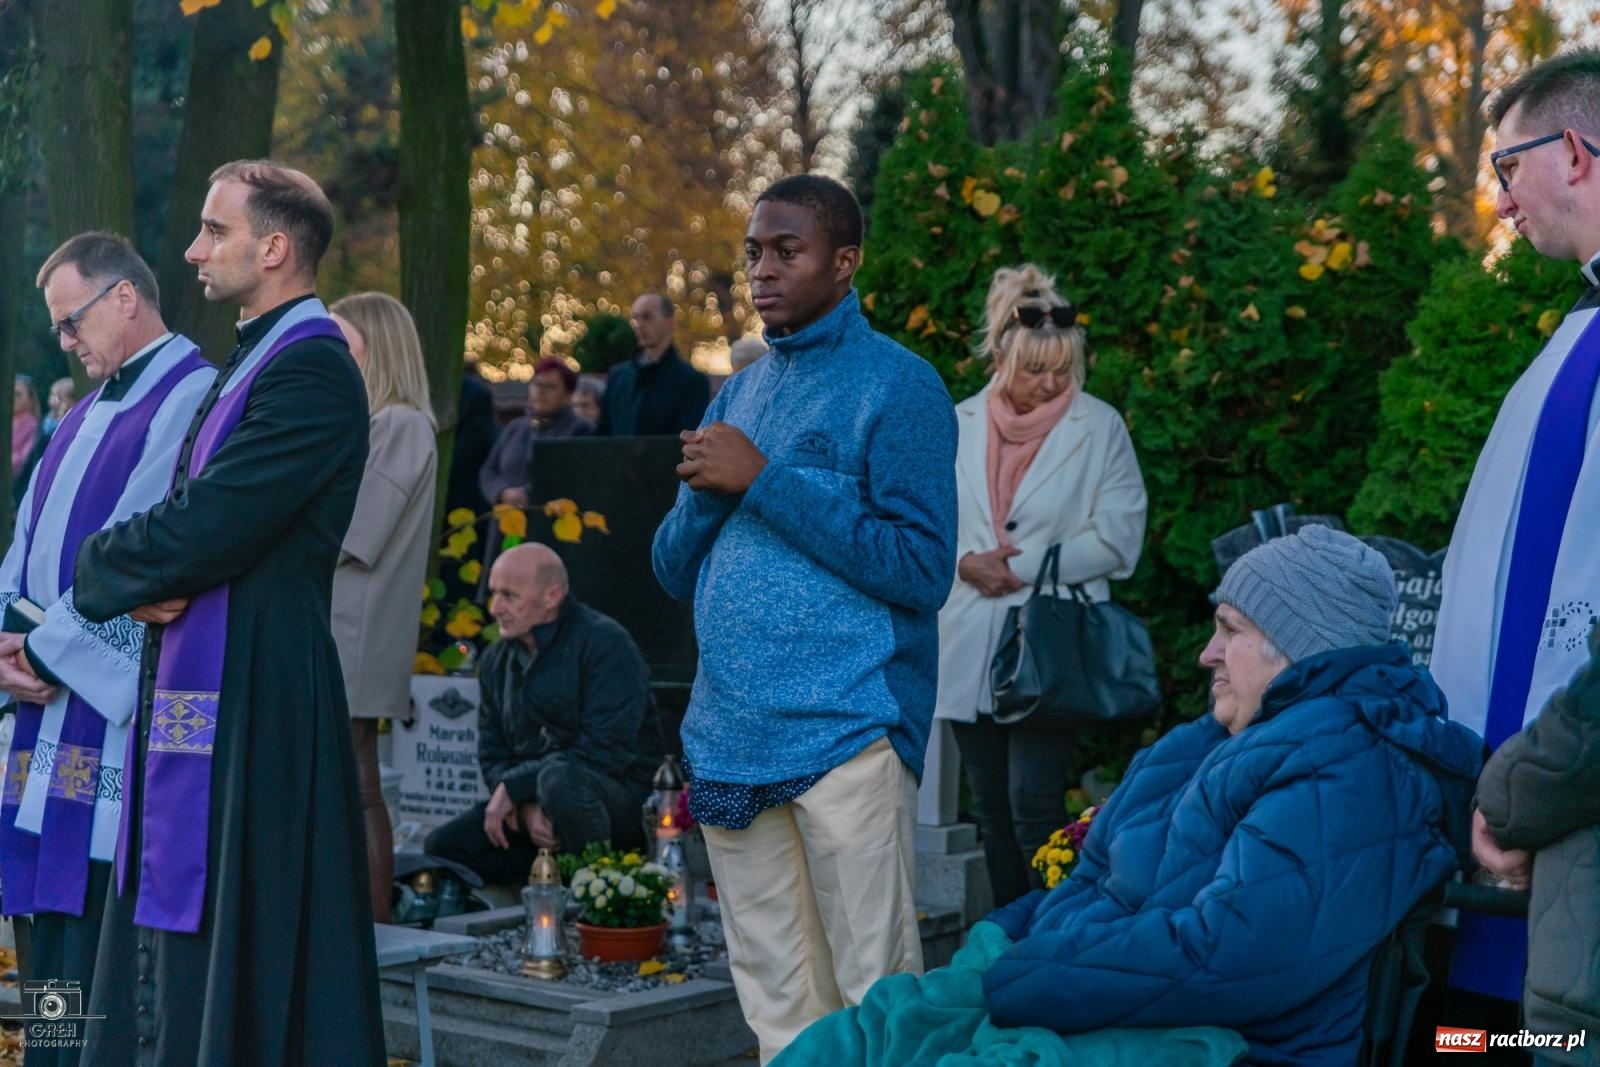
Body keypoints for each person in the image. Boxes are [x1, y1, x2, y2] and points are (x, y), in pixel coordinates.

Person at [779, 526, 1483, 1067]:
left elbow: (1233, 954)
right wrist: (1004, 941)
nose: (1207, 652)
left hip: (1217, 1037)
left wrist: (1029, 974)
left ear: (1298, 647)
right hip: (1103, 989)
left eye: (1230, 630)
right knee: (852, 1039)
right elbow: (1096, 872)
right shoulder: (1218, 735)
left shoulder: (1353, 763)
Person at [70, 160, 384, 1066]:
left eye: (215, 231)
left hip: (261, 686)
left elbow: (212, 522)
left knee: (250, 931)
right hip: (214, 671)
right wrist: (141, 568)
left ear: (275, 247)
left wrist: (102, 566)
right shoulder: (257, 356)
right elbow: (193, 525)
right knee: (187, 930)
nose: (193, 248)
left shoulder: (313, 366)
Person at [652, 174, 958, 1062]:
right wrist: (711, 497)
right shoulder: (735, 395)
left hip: (850, 732)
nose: (763, 270)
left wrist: (764, 481)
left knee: (877, 996)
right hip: (733, 732)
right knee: (777, 1001)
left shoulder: (899, 387)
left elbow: (921, 568)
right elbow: (671, 568)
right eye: (754, 251)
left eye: (789, 250)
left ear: (845, 262)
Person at [0, 233, 215, 1067]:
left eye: (71, 321)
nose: (64, 341)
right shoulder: (80, 412)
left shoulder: (190, 397)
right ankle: (52, 1058)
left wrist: (43, 656)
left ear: (125, 296)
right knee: (46, 932)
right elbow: (22, 545)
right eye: (56, 329)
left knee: (97, 935)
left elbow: (143, 552)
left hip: (106, 723)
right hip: (37, 720)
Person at [1428, 48, 1600, 1017]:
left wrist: (1529, 790)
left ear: (1573, 151)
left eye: (1505, 167)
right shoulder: (1576, 330)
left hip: (1558, 817)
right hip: (1521, 814)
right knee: (1474, 1043)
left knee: (1518, 1045)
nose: (1498, 201)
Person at [934, 264, 1147, 908]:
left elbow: (1120, 538)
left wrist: (1016, 567)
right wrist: (964, 562)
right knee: (990, 807)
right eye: (1035, 370)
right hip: (968, 632)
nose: (1051, 384)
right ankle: (1001, 943)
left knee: (1036, 806)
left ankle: (1044, 938)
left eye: (1063, 370)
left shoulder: (1100, 425)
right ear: (1002, 356)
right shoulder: (956, 420)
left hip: (1049, 644)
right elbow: (923, 518)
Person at [423, 544, 662, 885]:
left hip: (615, 805)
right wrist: (524, 810)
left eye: (509, 595)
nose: (495, 608)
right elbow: (492, 757)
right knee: (443, 846)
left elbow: (606, 751)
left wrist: (519, 786)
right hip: (532, 809)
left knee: (561, 781)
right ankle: (546, 889)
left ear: (552, 595)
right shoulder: (494, 661)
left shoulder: (606, 644)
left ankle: (602, 887)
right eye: (493, 594)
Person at [328, 292, 438, 925]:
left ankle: (369, 926)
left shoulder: (396, 423)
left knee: (358, 785)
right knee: (356, 782)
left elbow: (352, 533)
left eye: (344, 340)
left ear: (379, 345)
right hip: (354, 624)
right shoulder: (391, 422)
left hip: (355, 628)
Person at [479, 356, 594, 509]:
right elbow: (489, 470)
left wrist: (526, 494)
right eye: (537, 384)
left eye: (551, 387)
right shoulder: (515, 427)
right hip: (506, 522)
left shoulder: (581, 429)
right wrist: (502, 491)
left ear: (568, 394)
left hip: (550, 521)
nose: (541, 391)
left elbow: (568, 476)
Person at [596, 292, 710, 436]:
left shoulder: (692, 382)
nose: (640, 325)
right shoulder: (617, 377)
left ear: (670, 321)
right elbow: (602, 435)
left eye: (648, 316)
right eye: (636, 318)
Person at [12, 376, 39, 478]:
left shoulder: (32, 426)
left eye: (17, 394)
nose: (12, 398)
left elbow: (25, 460)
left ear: (31, 399)